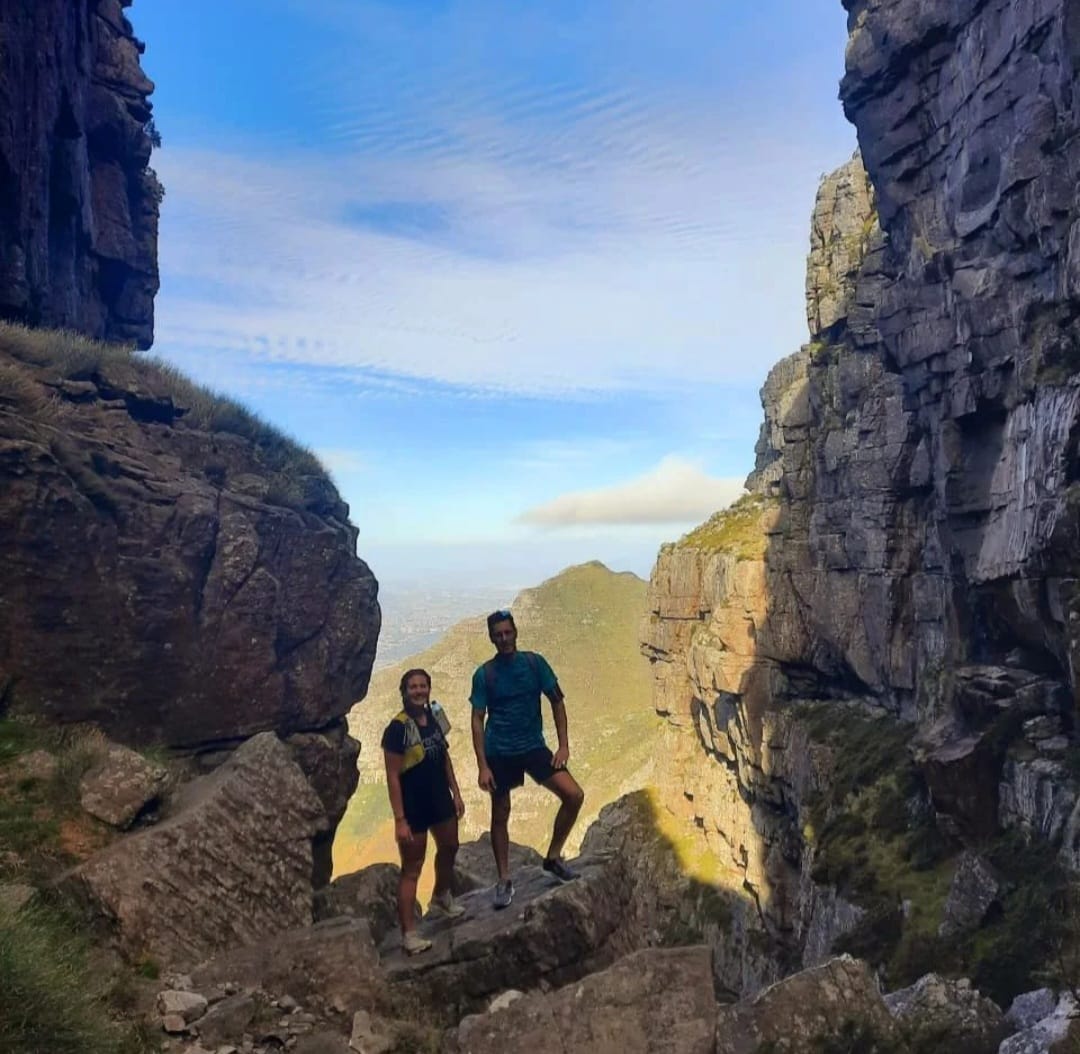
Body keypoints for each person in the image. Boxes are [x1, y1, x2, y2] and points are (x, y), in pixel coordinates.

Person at [469, 608, 585, 910]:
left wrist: (563, 746)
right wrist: (482, 765)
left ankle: (553, 857)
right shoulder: (485, 674)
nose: (504, 639)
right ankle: (504, 879)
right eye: (498, 635)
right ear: (492, 638)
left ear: (515, 632)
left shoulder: (535, 664)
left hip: (534, 747)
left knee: (573, 795)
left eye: (508, 632)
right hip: (500, 751)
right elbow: (477, 719)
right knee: (501, 812)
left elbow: (557, 701)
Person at [381, 667, 466, 955]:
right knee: (412, 868)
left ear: (429, 689)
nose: (418, 691)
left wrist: (456, 792)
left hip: (440, 798)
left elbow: (444, 757)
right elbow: (393, 775)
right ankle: (409, 933)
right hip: (414, 806)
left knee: (450, 846)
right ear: (404, 692)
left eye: (423, 686)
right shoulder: (396, 729)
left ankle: (442, 895)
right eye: (413, 687)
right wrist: (400, 820)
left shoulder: (433, 717)